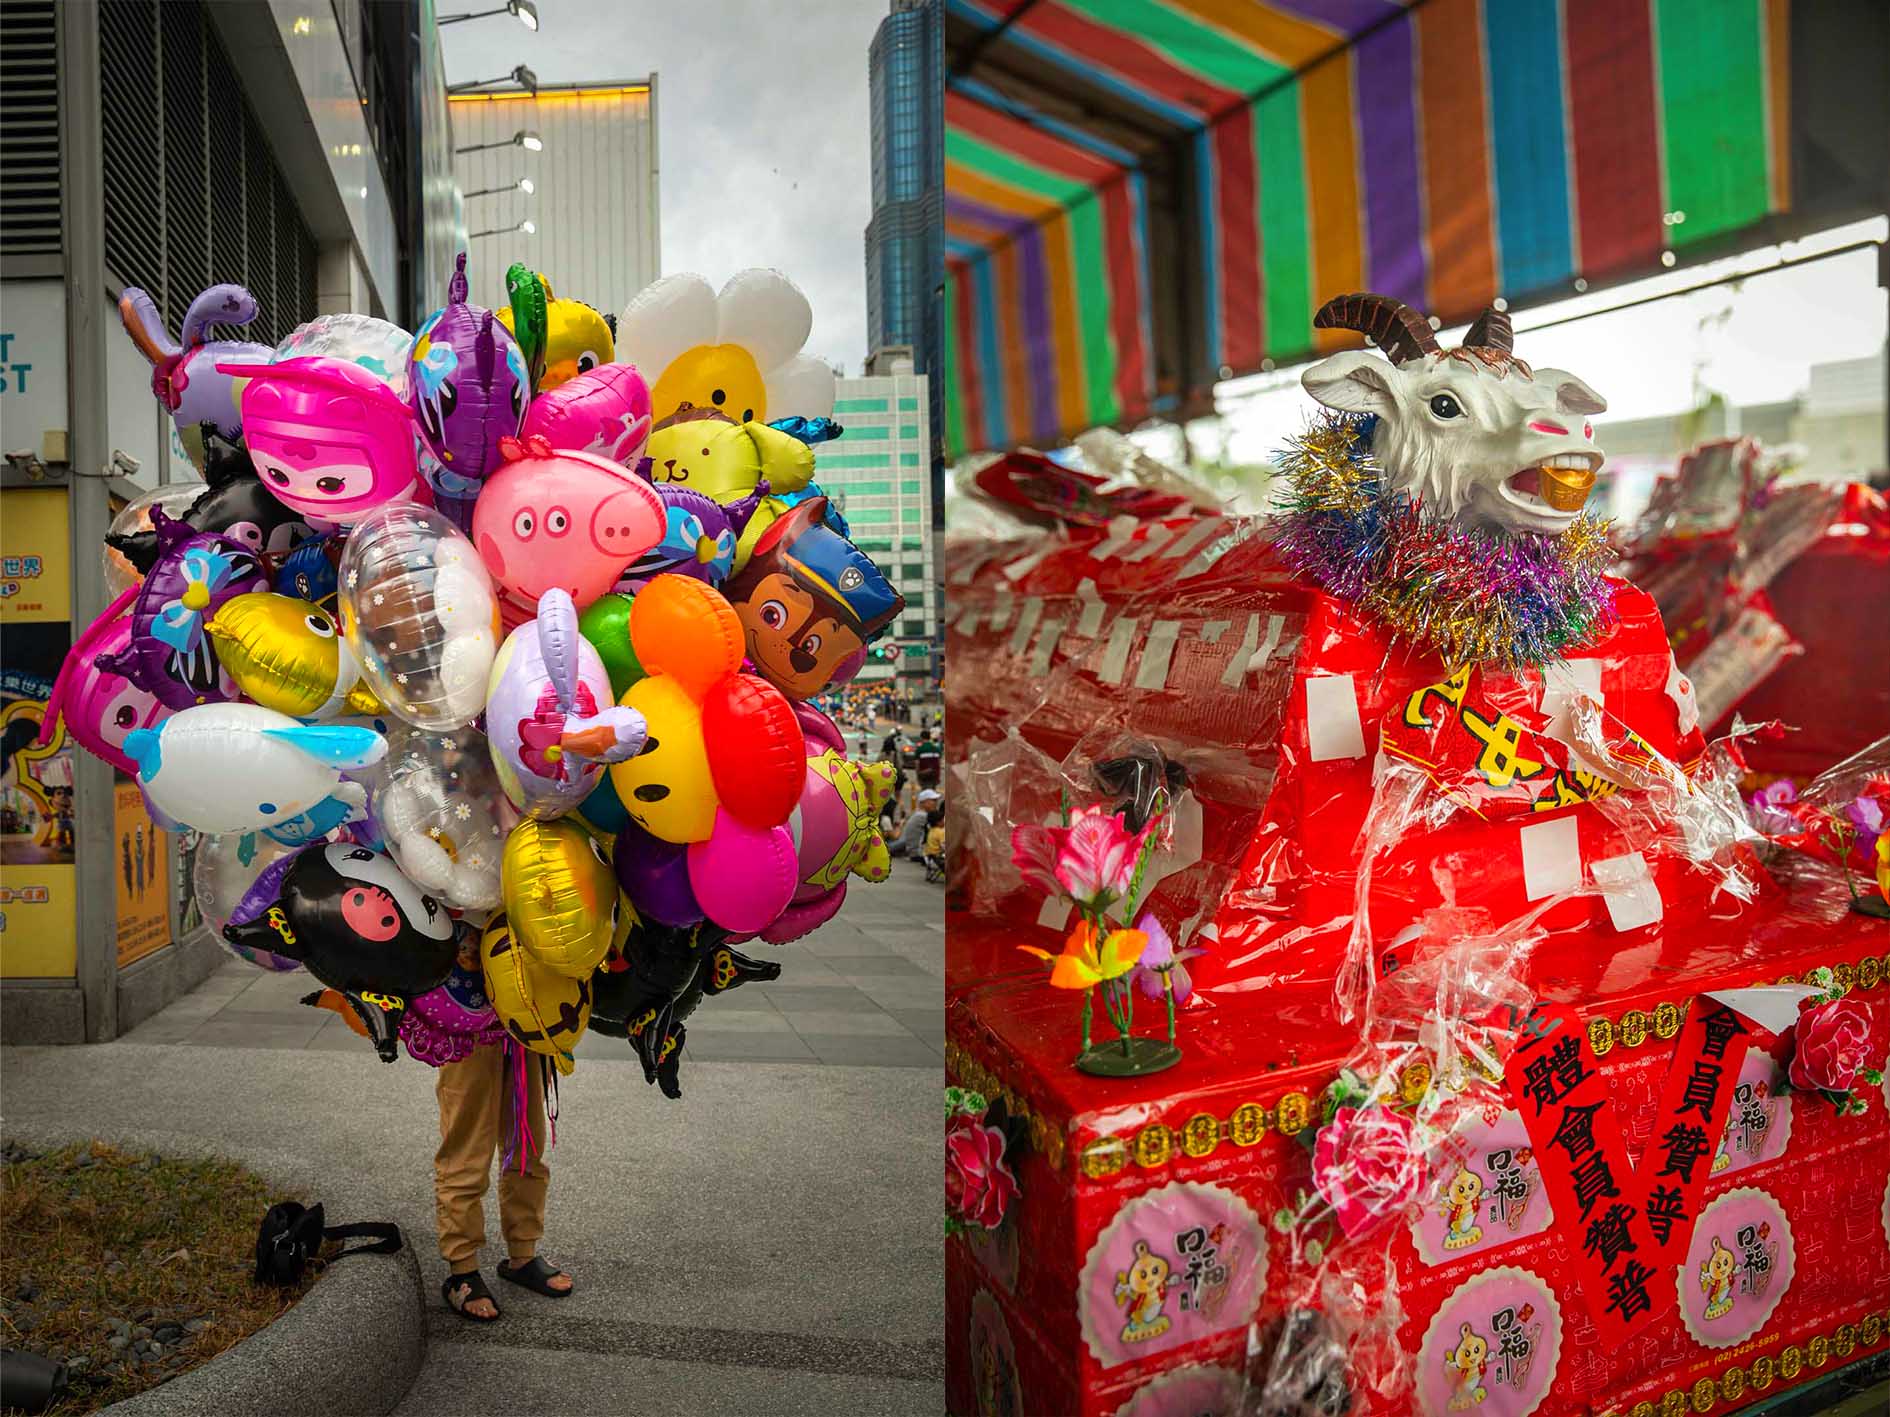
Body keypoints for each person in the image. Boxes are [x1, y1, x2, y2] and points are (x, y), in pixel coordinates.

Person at [435, 994, 573, 1321]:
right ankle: (462, 1269)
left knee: (527, 1144)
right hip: (465, 1014)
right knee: (466, 1153)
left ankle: (522, 1256)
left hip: (525, 1016)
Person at [890, 788, 939, 859]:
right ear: (923, 802)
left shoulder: (917, 812)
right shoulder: (922, 816)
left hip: (910, 848)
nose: (936, 803)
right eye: (933, 800)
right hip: (917, 852)